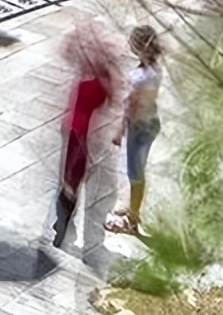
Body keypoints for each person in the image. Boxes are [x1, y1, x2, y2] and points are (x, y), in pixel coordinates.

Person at [54, 21, 120, 247]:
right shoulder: (104, 84)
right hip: (86, 134)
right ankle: (65, 220)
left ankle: (62, 221)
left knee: (69, 178)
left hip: (72, 129)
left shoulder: (84, 80)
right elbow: (109, 103)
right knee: (75, 179)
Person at [105, 25, 163, 236]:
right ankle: (130, 206)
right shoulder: (154, 70)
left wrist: (119, 132)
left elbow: (130, 107)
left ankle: (132, 219)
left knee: (135, 173)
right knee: (137, 169)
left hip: (138, 128)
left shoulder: (138, 77)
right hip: (151, 122)